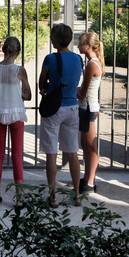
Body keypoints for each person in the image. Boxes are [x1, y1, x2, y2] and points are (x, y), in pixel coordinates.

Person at [0, 37, 32, 207]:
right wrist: (18, 95)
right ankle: (19, 197)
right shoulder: (19, 70)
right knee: (17, 156)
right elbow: (28, 94)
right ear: (18, 52)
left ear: (3, 50)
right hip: (15, 114)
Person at [39, 23, 82, 207]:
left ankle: (53, 196)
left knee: (51, 154)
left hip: (54, 108)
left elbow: (41, 82)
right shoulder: (78, 59)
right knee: (72, 153)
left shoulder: (50, 59)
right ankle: (78, 194)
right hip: (72, 107)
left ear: (55, 40)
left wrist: (45, 89)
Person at [76, 31, 103, 195]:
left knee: (90, 146)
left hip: (87, 108)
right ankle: (87, 178)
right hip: (88, 107)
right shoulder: (94, 62)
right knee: (86, 145)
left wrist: (70, 90)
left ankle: (90, 181)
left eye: (80, 43)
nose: (78, 46)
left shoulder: (92, 64)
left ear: (89, 46)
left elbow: (83, 93)